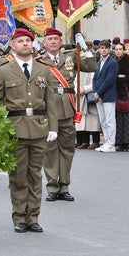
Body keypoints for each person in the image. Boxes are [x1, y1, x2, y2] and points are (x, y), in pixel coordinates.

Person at [0, 28, 58, 234]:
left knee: (35, 175)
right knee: (18, 175)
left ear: (33, 45)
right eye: (20, 41)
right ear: (13, 45)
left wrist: (53, 127)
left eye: (28, 41)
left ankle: (34, 217)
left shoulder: (43, 69)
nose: (25, 44)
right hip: (15, 129)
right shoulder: (4, 70)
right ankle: (19, 217)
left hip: (39, 127)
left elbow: (50, 100)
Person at [39, 28, 97, 203]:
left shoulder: (71, 57)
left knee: (67, 150)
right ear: (44, 42)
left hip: (67, 109)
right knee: (50, 151)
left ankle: (64, 186)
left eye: (56, 38)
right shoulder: (39, 61)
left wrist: (84, 47)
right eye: (49, 39)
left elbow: (92, 66)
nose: (53, 42)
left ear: (60, 40)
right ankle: (52, 186)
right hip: (48, 111)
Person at [92, 40, 119, 152]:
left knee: (110, 120)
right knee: (103, 120)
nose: (103, 50)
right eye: (102, 48)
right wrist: (95, 92)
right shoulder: (98, 63)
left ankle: (111, 143)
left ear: (109, 49)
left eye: (106, 48)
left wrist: (99, 93)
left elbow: (109, 80)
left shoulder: (112, 63)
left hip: (108, 95)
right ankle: (107, 141)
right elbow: (94, 79)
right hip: (98, 96)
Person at [113, 42, 129, 151]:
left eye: (120, 49)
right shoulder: (112, 61)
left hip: (124, 93)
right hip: (114, 93)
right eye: (116, 49)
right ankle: (118, 141)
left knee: (126, 118)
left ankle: (127, 142)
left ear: (123, 50)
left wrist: (121, 81)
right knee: (116, 119)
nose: (118, 51)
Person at [77, 68, 101, 150]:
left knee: (94, 121)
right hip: (81, 97)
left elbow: (96, 82)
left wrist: (84, 89)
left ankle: (96, 141)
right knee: (84, 121)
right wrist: (78, 89)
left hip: (91, 97)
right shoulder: (80, 70)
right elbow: (75, 81)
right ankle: (85, 141)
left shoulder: (94, 70)